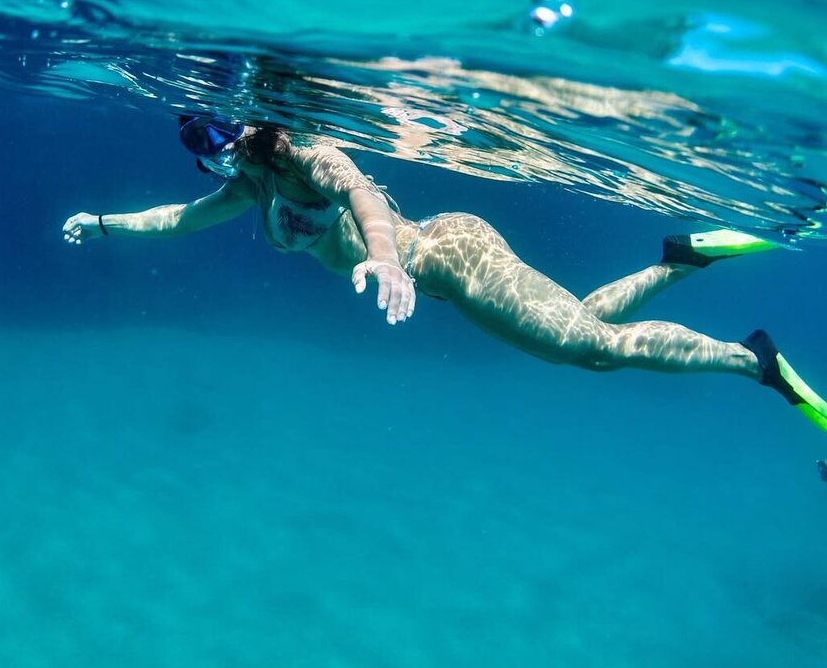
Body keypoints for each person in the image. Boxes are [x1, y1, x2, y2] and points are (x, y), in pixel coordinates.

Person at [62, 115, 827, 434]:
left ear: (246, 130)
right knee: (582, 322)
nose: (210, 157)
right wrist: (100, 222)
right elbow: (177, 217)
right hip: (440, 266)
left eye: (213, 140)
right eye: (198, 148)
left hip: (450, 259)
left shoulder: (310, 157)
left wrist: (386, 260)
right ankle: (680, 258)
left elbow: (362, 196)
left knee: (591, 348)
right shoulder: (251, 186)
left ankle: (753, 360)